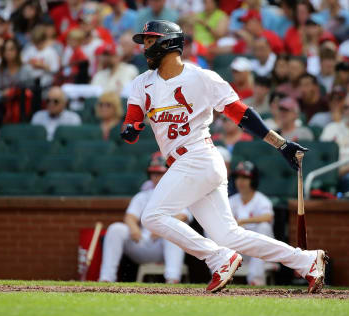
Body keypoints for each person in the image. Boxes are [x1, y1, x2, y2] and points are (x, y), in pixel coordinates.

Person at [121, 20, 327, 293]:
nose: (145, 47)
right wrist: (130, 129)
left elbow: (241, 114)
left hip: (199, 157)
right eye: (144, 41)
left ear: (168, 42)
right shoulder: (141, 83)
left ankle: (219, 258)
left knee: (153, 216)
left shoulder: (202, 77)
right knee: (228, 235)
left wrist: (279, 143)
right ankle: (307, 260)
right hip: (186, 164)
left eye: (150, 40)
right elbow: (131, 124)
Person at [100, 153, 191, 283]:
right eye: (153, 174)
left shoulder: (177, 193)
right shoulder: (143, 195)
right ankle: (106, 278)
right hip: (143, 241)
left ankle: (172, 278)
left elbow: (183, 216)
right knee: (116, 229)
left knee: (174, 230)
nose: (156, 177)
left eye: (160, 174)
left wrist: (161, 228)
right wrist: (133, 228)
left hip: (163, 244)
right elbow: (130, 217)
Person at [229, 161, 275, 286]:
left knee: (263, 226)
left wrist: (243, 221)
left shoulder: (261, 199)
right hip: (239, 249)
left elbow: (268, 216)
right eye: (238, 177)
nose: (240, 181)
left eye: (245, 178)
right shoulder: (231, 201)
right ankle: (218, 274)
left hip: (260, 253)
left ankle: (256, 279)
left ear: (253, 180)